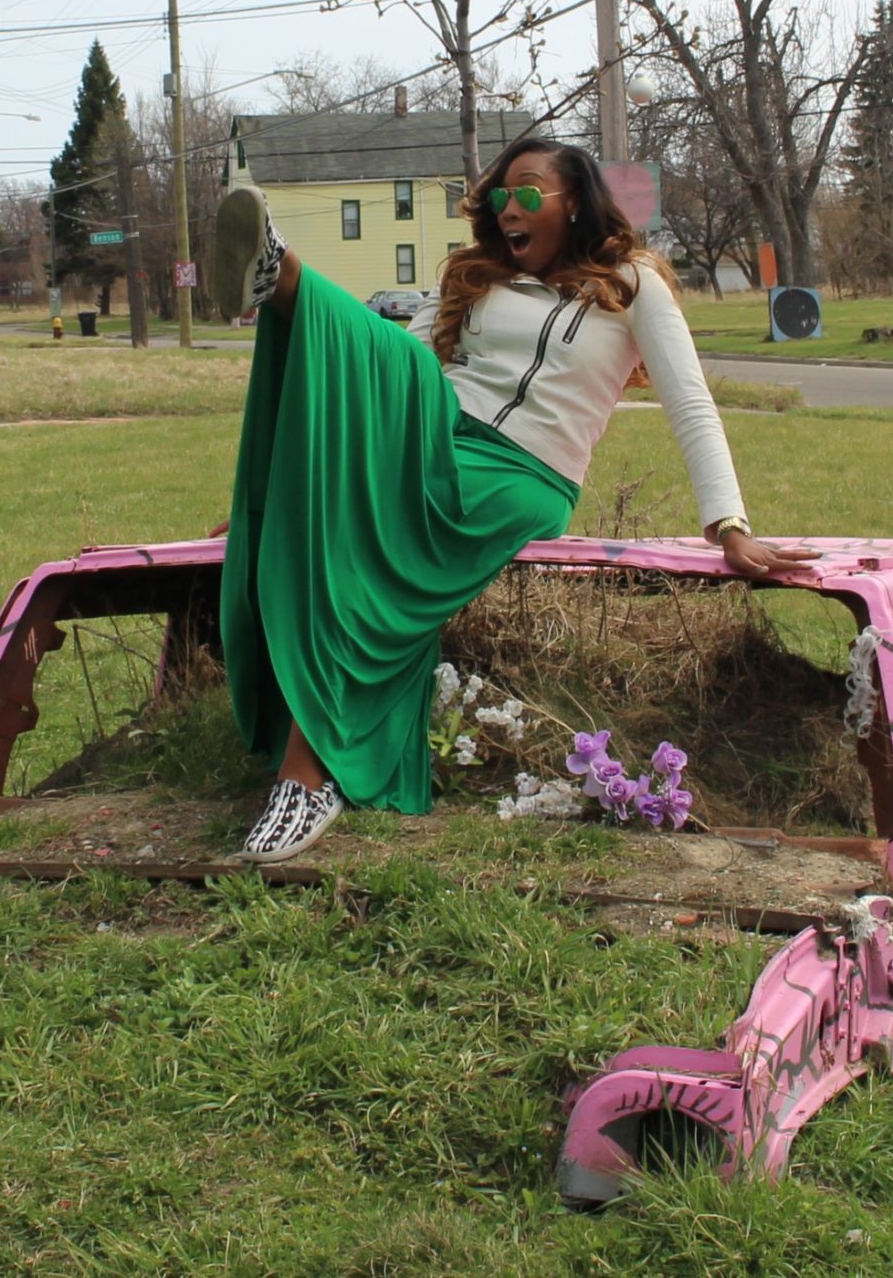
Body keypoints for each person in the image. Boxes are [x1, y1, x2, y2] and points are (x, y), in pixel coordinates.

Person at [210, 137, 817, 864]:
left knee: (374, 523)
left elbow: (690, 401)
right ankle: (275, 275)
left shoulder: (634, 284)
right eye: (500, 196)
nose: (508, 209)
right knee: (386, 360)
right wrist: (290, 490)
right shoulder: (473, 274)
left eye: (527, 193)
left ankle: (308, 776)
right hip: (437, 432)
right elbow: (400, 366)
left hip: (524, 470)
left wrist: (730, 525)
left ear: (575, 202)